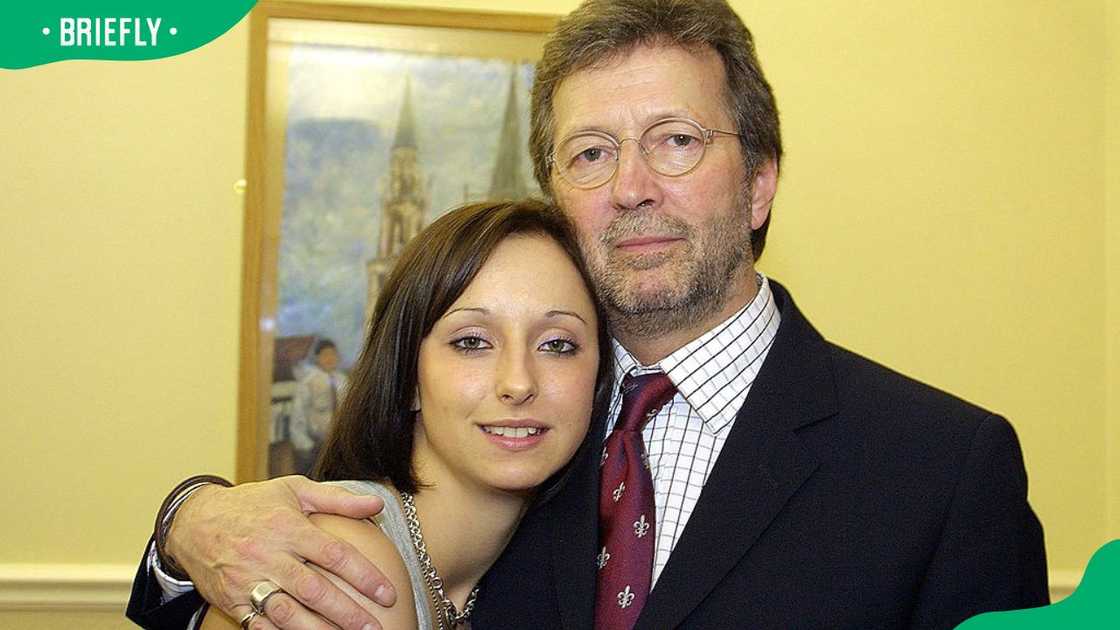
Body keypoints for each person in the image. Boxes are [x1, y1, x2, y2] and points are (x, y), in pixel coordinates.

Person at [128, 1, 1049, 628]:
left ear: (761, 182)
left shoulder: (943, 469)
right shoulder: (522, 429)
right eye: (591, 153)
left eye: (676, 142)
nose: (632, 189)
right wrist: (187, 525)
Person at [196, 199, 612, 630]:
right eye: (471, 342)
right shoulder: (351, 570)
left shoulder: (513, 576)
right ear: (409, 376)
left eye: (558, 345)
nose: (519, 383)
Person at [288, 338, 348, 475]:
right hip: (316, 446)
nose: (329, 358)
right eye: (325, 355)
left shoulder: (342, 381)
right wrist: (305, 445)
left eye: (333, 354)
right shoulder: (308, 382)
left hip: (338, 445)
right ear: (317, 358)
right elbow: (299, 415)